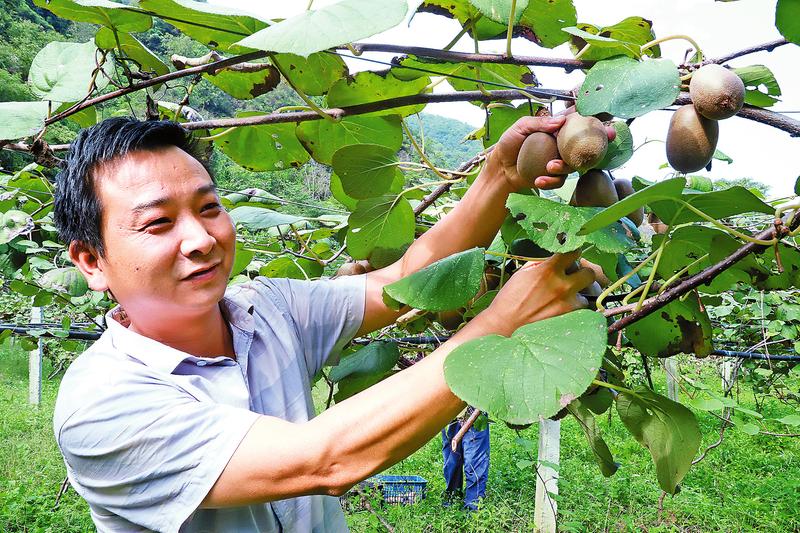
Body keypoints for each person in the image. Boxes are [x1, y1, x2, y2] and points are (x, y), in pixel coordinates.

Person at [51, 114, 608, 532]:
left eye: (209, 208)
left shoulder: (266, 309)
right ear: (92, 261)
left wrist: (498, 178)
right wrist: (500, 324)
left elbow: (404, 282)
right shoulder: (100, 405)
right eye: (157, 224)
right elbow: (325, 459)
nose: (199, 240)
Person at [441, 406, 489, 511]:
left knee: (474, 461)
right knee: (452, 461)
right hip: (448, 411)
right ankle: (453, 496)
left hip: (474, 410)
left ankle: (474, 507)